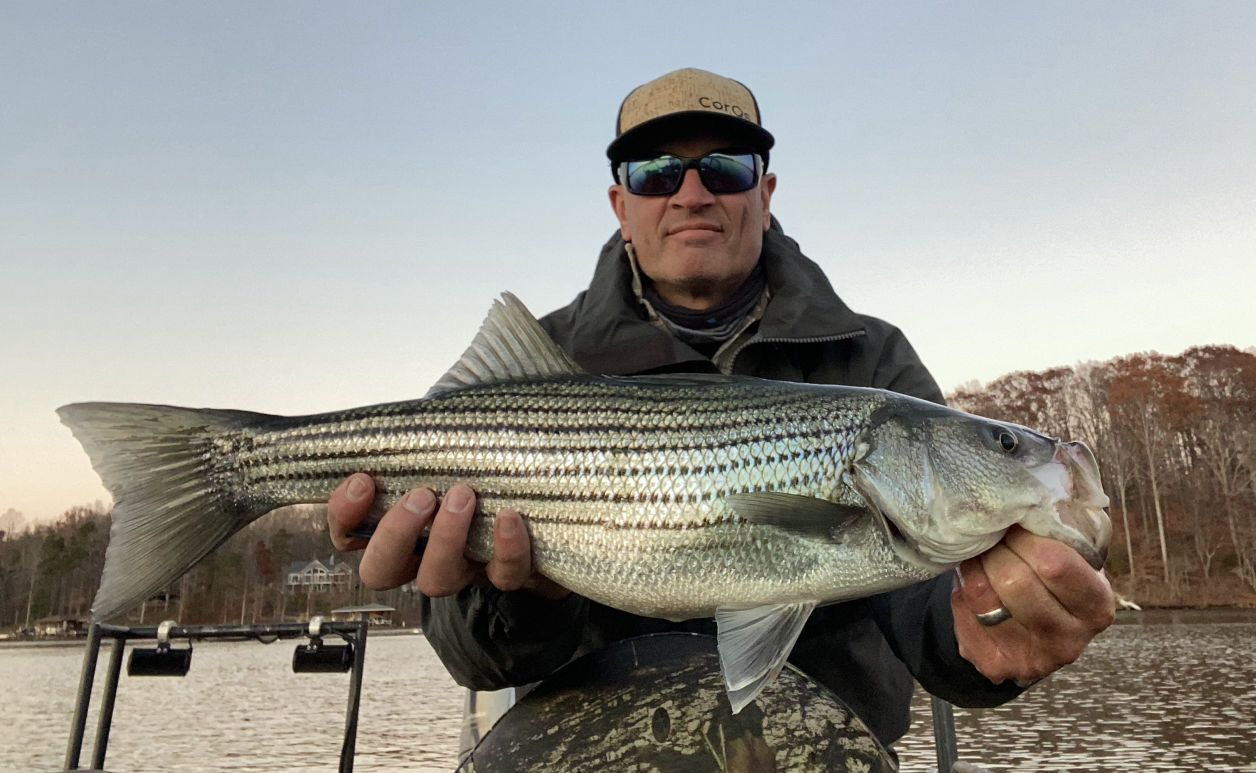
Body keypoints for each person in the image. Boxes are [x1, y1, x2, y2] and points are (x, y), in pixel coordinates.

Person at [327, 68, 1116, 751]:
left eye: (727, 167)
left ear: (765, 193)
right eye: (656, 172)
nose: (693, 193)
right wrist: (518, 597)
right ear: (619, 203)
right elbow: (476, 660)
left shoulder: (873, 359)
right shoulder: (548, 352)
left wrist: (985, 631)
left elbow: (925, 611)